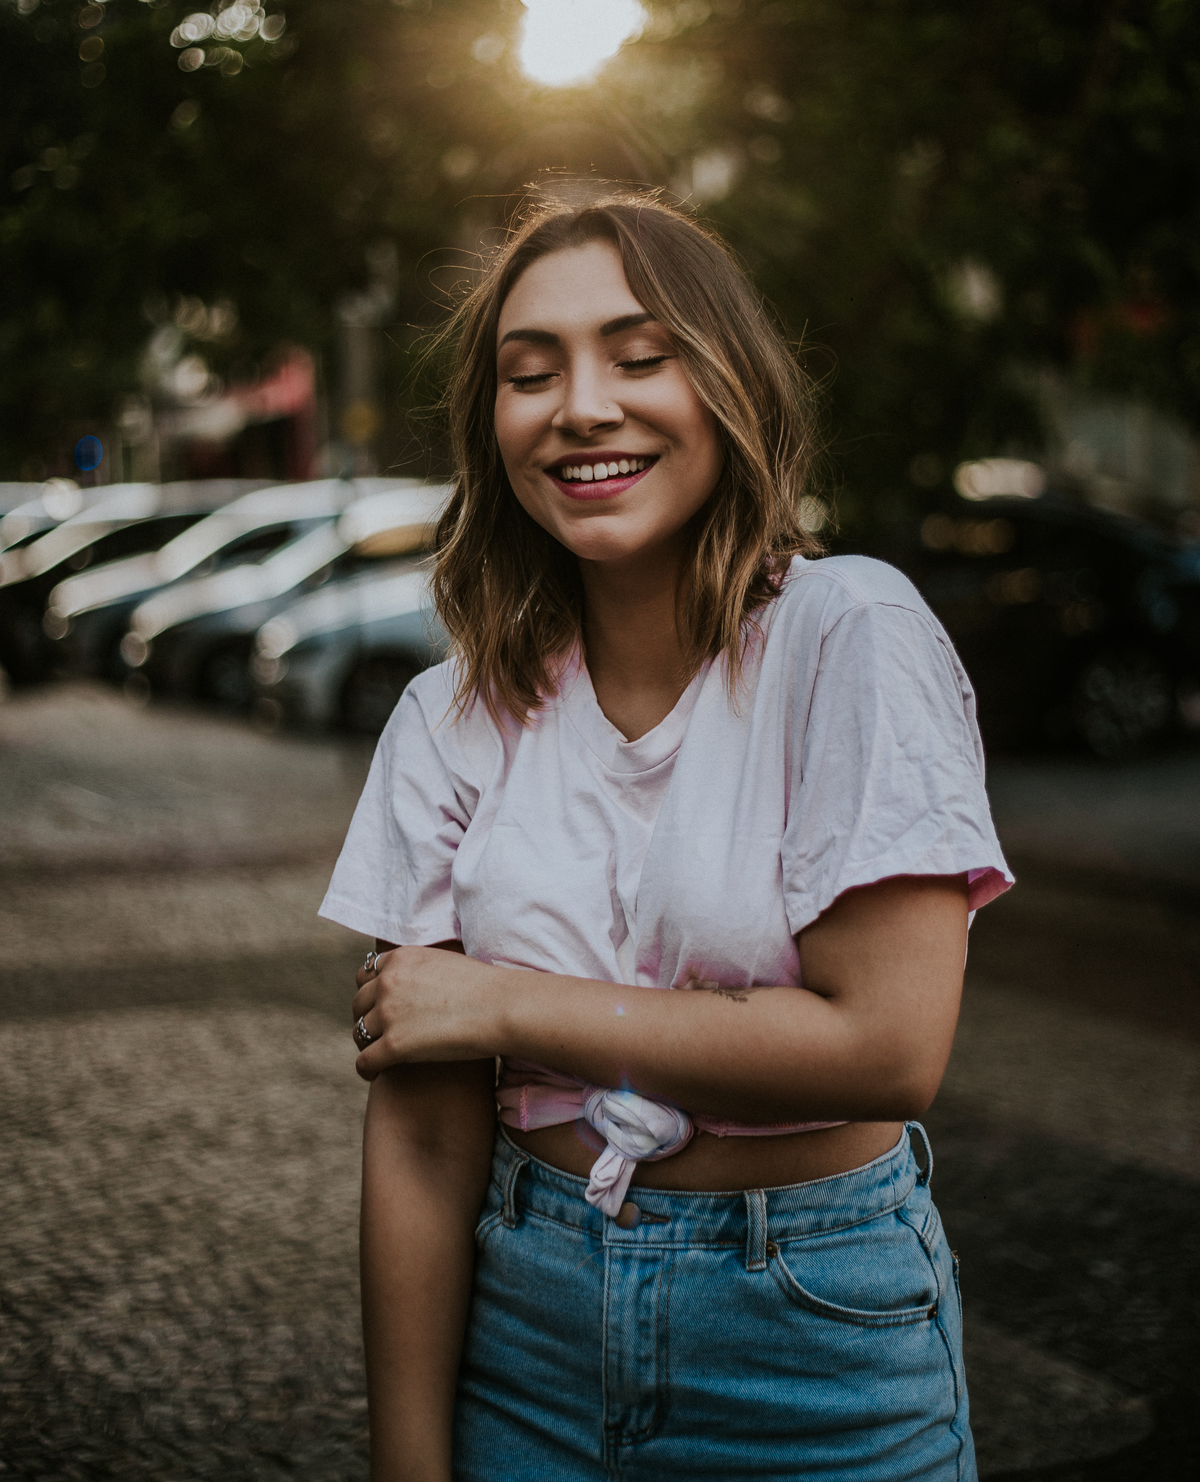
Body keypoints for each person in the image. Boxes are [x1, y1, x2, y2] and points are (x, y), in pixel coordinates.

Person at [320, 194, 1012, 1482]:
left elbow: (889, 1047)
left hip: (812, 1335)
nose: (581, 406)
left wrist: (499, 1003)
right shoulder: (447, 718)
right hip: (522, 1336)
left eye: (642, 358)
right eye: (531, 376)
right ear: (495, 431)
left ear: (731, 386)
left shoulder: (849, 635)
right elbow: (420, 1135)